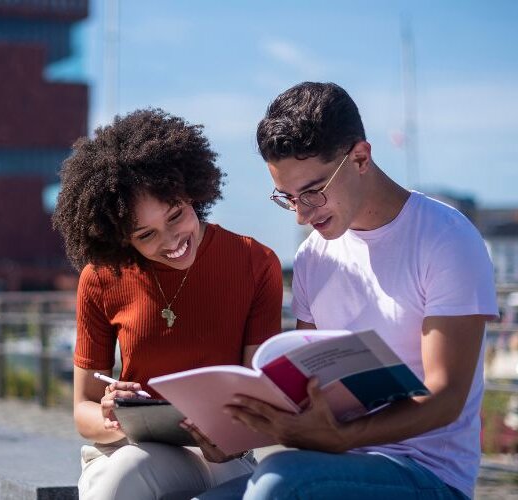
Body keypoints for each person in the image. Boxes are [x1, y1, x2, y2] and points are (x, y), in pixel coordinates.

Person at [202, 82, 499, 499]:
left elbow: (446, 396)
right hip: (335, 463)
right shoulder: (313, 257)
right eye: (287, 198)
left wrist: (344, 437)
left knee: (278, 485)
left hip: (429, 477)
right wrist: (239, 422)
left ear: (360, 157)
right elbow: (309, 388)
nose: (302, 215)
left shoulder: (445, 237)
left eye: (312, 192)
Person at [51, 108, 284, 500]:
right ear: (121, 239)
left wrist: (224, 436)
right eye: (146, 234)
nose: (172, 240)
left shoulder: (255, 264)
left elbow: (259, 405)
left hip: (224, 458)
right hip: (135, 450)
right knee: (123, 476)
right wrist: (114, 416)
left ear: (191, 191)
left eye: (176, 215)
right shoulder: (101, 278)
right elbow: (83, 411)